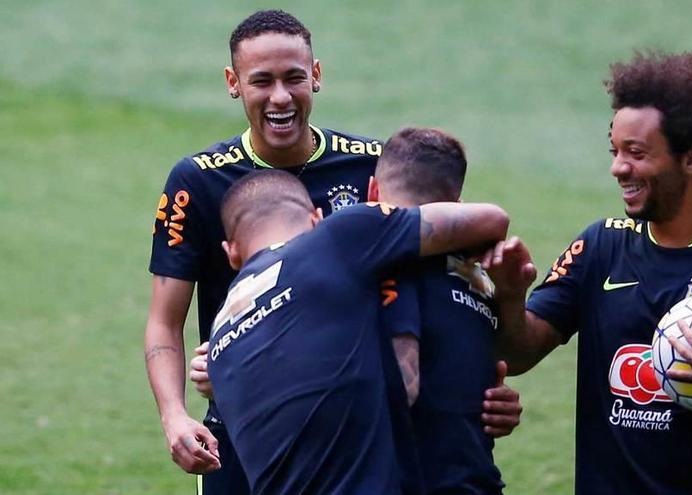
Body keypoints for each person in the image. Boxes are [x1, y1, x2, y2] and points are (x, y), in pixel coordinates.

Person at [146, 10, 519, 493]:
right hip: (244, 419)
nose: (280, 97)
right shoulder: (196, 181)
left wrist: (472, 387)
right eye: (262, 81)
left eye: (294, 78)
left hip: (354, 416)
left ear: (316, 76)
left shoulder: (372, 166)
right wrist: (174, 416)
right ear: (233, 83)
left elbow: (432, 286)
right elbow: (163, 319)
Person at [486, 51, 692, 494]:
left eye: (636, 153)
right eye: (616, 151)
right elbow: (521, 353)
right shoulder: (601, 246)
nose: (618, 167)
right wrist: (510, 295)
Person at [208, 169, 510, 494]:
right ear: (316, 218)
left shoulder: (217, 344)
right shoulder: (335, 239)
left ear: (232, 253)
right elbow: (491, 220)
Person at [370, 128, 515, 494]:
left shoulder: (374, 265)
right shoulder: (479, 278)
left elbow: (404, 390)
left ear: (373, 192)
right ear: (457, 210)